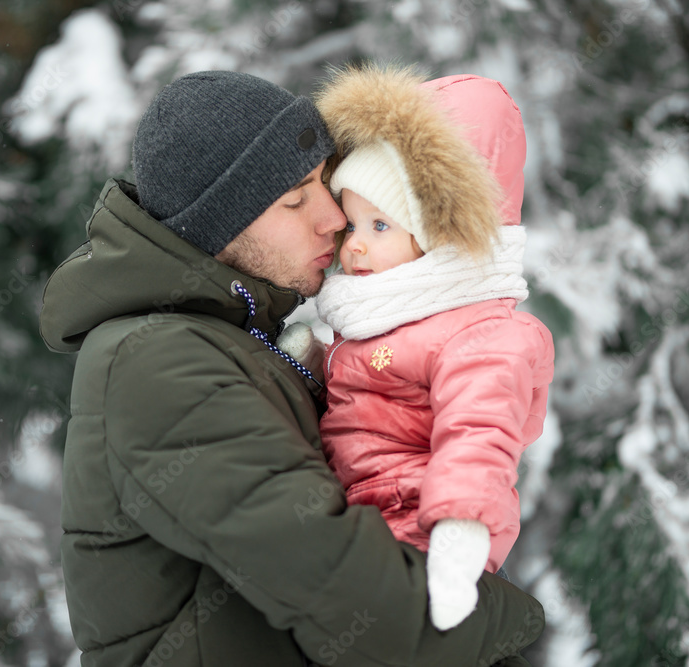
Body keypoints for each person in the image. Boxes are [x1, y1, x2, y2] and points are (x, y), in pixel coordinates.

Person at [38, 70, 543, 667]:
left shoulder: (237, 341)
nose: (334, 217)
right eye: (296, 198)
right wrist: (518, 618)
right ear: (222, 225)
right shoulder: (157, 362)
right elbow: (364, 605)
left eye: (325, 184)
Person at [309, 66, 555, 632]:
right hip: (353, 520)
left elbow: (480, 432)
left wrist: (459, 534)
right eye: (351, 227)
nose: (357, 246)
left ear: (435, 239)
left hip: (419, 527)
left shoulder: (478, 334)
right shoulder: (380, 319)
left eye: (379, 225)